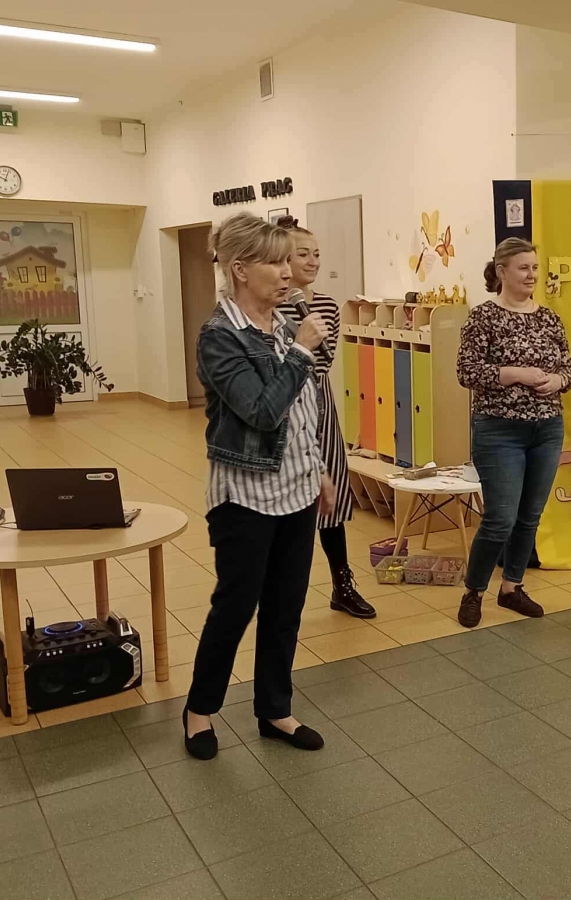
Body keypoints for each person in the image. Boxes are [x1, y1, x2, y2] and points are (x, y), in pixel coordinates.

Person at [184, 212, 335, 761]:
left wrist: (318, 468)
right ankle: (199, 710)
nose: (288, 272)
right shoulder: (219, 336)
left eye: (288, 259)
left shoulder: (283, 325)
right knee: (235, 606)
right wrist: (301, 351)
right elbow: (262, 412)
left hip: (297, 489)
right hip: (245, 496)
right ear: (240, 269)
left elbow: (303, 410)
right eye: (275, 261)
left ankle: (274, 709)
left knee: (286, 606)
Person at [455, 238, 571, 628]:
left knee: (529, 517)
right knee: (500, 518)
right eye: (524, 268)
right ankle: (473, 592)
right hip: (499, 430)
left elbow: (570, 370)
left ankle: (511, 588)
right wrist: (514, 374)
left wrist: (558, 380)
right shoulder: (484, 317)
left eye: (535, 267)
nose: (532, 275)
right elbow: (467, 372)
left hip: (547, 428)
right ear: (501, 271)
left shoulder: (549, 319)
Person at [275, 217, 374, 620]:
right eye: (303, 254)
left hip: (318, 401)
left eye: (316, 254)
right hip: (281, 403)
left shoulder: (328, 305)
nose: (313, 261)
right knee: (286, 500)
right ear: (282, 258)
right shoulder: (270, 305)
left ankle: (342, 584)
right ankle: (283, 592)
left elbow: (323, 360)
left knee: (330, 499)